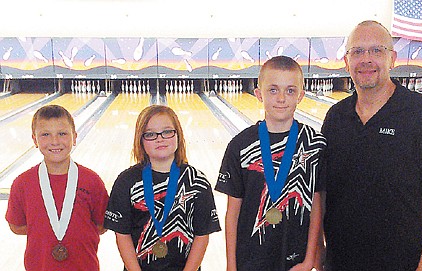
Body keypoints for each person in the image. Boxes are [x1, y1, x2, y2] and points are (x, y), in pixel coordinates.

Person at [320, 20, 422, 271]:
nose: (366, 59)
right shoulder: (336, 117)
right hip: (341, 264)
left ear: (392, 59)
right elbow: (322, 193)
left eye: (377, 50)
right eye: (357, 51)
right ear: (346, 61)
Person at [215, 55, 327, 271]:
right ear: (258, 94)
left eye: (290, 90)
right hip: (250, 261)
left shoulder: (315, 144)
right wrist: (231, 265)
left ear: (301, 96)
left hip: (295, 260)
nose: (282, 98)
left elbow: (317, 206)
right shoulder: (240, 145)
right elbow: (232, 213)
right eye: (273, 90)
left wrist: (309, 260)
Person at [104, 105, 221, 271]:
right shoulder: (126, 181)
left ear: (178, 134)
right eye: (150, 134)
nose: (160, 139)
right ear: (140, 139)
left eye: (167, 131)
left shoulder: (197, 181)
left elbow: (202, 236)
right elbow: (122, 235)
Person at [5, 104, 109, 271]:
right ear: (35, 140)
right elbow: (16, 226)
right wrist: (46, 231)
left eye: (62, 134)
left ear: (74, 137)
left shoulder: (92, 181)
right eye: (45, 134)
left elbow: (102, 225)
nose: (55, 141)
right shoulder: (22, 183)